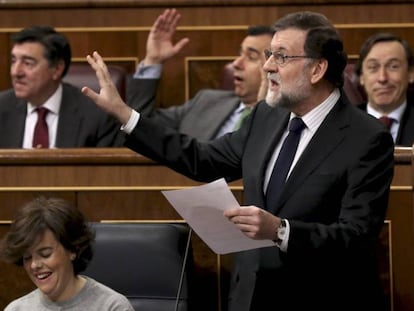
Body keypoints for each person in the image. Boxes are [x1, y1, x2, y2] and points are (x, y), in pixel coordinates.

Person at [82, 11, 394, 311]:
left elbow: (357, 236)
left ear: (317, 69)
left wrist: (280, 230)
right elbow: (202, 159)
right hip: (253, 296)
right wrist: (127, 116)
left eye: (281, 57)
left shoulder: (366, 138)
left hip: (323, 298)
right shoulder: (266, 116)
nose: (268, 66)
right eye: (269, 55)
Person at [127, 9, 273, 141]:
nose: (236, 63)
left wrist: (264, 108)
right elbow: (141, 125)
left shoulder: (286, 118)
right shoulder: (205, 101)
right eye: (240, 53)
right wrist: (152, 61)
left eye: (251, 57)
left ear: (273, 67)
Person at [0, 196, 134, 311]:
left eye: (45, 254)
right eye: (27, 257)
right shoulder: (16, 309)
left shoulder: (113, 307)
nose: (34, 265)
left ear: (73, 250)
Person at [0, 26, 123, 148]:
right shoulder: (2, 107)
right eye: (13, 61)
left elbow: (107, 167)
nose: (16, 72)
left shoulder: (95, 116)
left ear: (57, 68)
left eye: (28, 63)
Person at [355, 32, 414, 145]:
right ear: (362, 77)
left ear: (410, 73)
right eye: (373, 67)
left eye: (393, 66)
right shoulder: (339, 124)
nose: (382, 78)